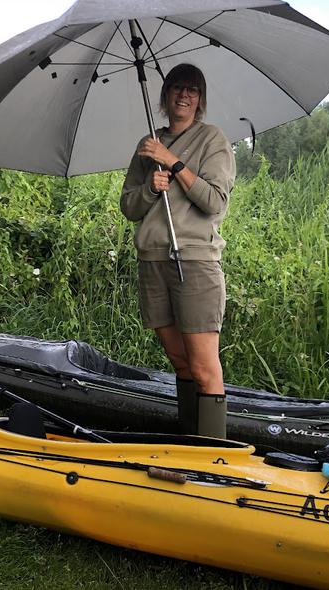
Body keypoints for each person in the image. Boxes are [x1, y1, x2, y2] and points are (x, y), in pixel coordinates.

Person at [119, 63, 235, 439]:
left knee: (203, 368)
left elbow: (213, 201)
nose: (184, 95)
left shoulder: (212, 139)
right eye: (177, 88)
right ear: (165, 95)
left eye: (193, 90)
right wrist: (151, 187)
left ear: (200, 100)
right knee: (179, 362)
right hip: (152, 261)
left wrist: (172, 161)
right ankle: (190, 440)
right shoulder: (148, 144)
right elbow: (129, 208)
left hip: (195, 261)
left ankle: (213, 454)